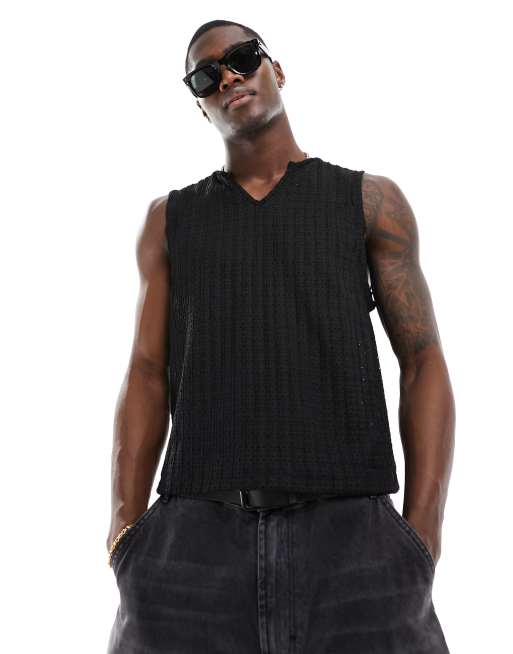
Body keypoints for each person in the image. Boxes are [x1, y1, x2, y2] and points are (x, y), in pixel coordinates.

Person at [106, 19, 454, 654]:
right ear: (200, 103)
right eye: (206, 76)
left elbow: (423, 358)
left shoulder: (369, 202)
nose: (228, 77)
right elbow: (147, 370)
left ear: (277, 69)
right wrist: (123, 528)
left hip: (355, 544)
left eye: (243, 58)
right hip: (191, 548)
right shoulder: (169, 221)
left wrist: (422, 532)